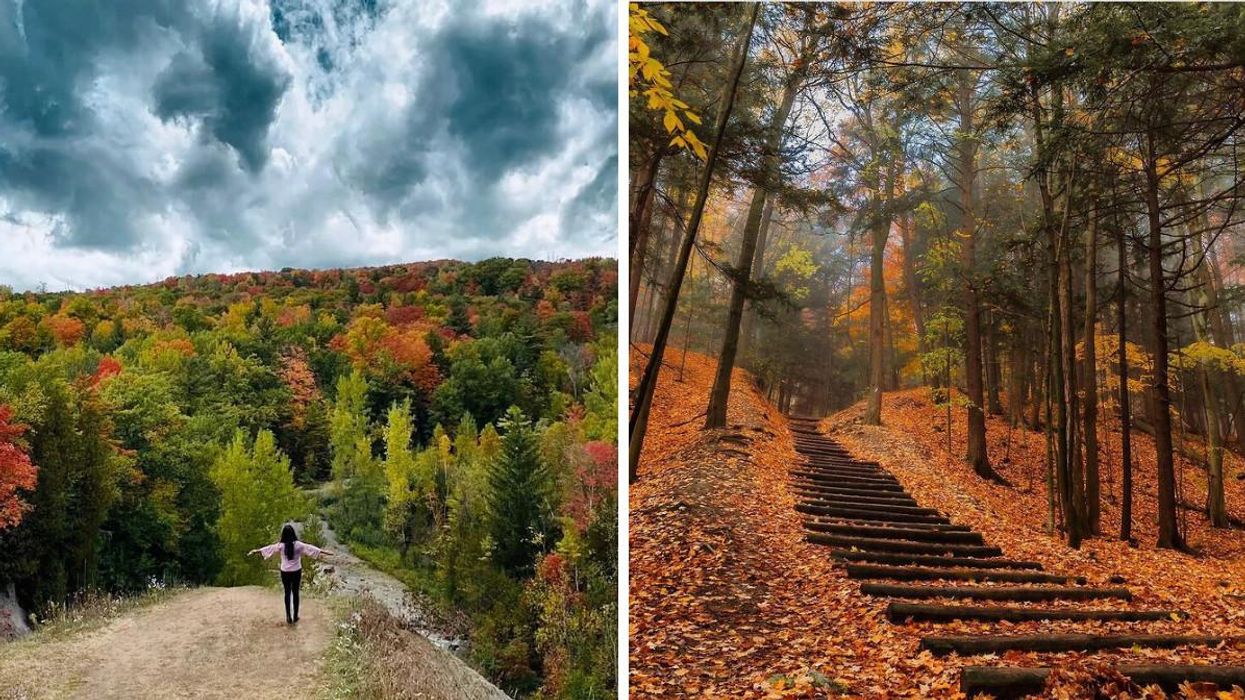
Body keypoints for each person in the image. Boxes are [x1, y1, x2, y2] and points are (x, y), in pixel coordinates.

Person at [249, 523, 334, 624]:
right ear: (293, 533)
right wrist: (325, 552)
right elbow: (311, 548)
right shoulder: (298, 545)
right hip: (296, 571)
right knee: (296, 593)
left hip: (285, 572)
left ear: (283, 535)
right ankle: (295, 616)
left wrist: (256, 551)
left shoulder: (281, 546)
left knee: (287, 593)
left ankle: (288, 616)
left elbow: (269, 549)